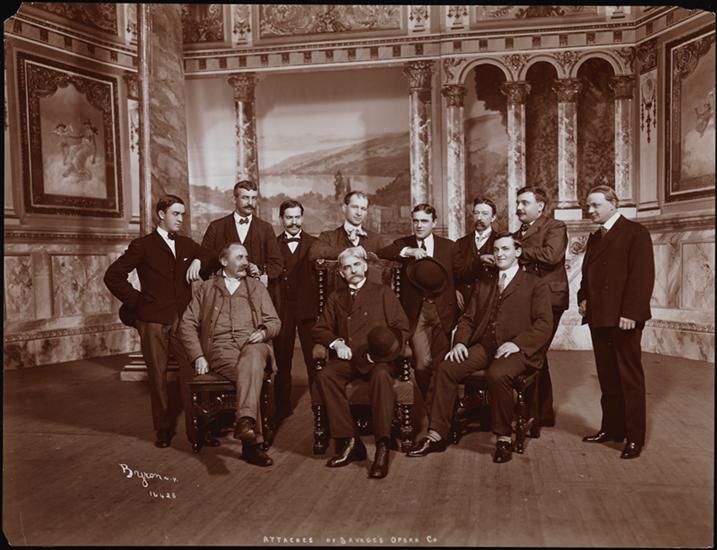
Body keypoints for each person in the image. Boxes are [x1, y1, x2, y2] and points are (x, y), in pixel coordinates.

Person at [407, 234, 552, 464]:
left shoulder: (535, 283)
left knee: (498, 374)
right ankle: (436, 434)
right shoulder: (485, 282)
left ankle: (503, 438)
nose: (500, 254)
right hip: (485, 345)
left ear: (517, 252)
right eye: (496, 250)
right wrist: (460, 343)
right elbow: (468, 318)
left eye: (505, 249)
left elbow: (544, 324)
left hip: (516, 350)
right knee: (446, 368)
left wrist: (517, 344)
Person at [104, 195, 215, 448]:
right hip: (152, 322)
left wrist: (199, 259)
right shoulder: (142, 245)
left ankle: (197, 430)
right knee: (157, 376)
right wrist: (139, 302)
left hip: (183, 322)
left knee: (192, 375)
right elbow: (113, 276)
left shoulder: (186, 244)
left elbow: (213, 256)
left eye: (183, 214)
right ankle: (163, 429)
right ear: (161, 214)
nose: (180, 219)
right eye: (176, 213)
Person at [312, 246, 410, 479]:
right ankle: (351, 441)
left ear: (365, 266)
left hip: (379, 359)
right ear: (341, 273)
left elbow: (402, 329)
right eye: (347, 268)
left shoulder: (383, 293)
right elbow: (319, 329)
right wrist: (337, 343)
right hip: (350, 358)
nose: (352, 270)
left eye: (356, 265)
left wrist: (379, 354)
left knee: (381, 376)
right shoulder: (336, 298)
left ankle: (382, 445)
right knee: (326, 375)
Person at [179, 242, 281, 467]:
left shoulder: (256, 287)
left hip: (253, 344)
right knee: (250, 374)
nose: (246, 262)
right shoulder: (207, 288)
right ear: (224, 261)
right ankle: (250, 441)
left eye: (246, 257)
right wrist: (198, 356)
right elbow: (186, 324)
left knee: (252, 360)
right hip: (221, 349)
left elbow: (275, 321)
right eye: (239, 257)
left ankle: (246, 426)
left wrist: (264, 332)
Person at [579, 186, 654, 459]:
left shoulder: (636, 233)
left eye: (595, 205)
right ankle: (611, 429)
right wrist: (583, 297)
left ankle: (634, 438)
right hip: (599, 316)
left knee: (629, 379)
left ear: (613, 204)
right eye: (588, 206)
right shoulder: (595, 236)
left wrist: (631, 313)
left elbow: (642, 276)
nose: (590, 210)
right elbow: (588, 272)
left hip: (624, 318)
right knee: (608, 377)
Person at [377, 203, 459, 396]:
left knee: (441, 365)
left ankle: (440, 410)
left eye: (424, 221)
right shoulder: (403, 243)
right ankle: (431, 402)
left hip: (443, 310)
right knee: (422, 364)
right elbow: (382, 253)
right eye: (416, 221)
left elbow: (462, 275)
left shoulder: (449, 247)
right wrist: (409, 251)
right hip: (416, 313)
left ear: (434, 222)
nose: (419, 225)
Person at [513, 186, 568, 427]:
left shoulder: (555, 227)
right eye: (518, 203)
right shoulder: (518, 233)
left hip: (551, 299)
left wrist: (518, 251)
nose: (518, 208)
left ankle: (532, 415)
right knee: (536, 353)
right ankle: (542, 413)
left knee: (534, 352)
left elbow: (551, 255)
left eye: (524, 203)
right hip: (528, 299)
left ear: (540, 206)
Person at [270, 199, 320, 424]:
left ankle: (320, 405)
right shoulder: (272, 245)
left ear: (302, 217)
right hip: (281, 308)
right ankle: (282, 407)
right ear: (281, 219)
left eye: (297, 217)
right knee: (282, 359)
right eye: (289, 217)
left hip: (308, 308)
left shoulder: (315, 244)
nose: (293, 222)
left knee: (314, 359)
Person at [201, 179, 283, 282]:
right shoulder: (216, 227)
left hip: (255, 288)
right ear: (234, 199)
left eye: (253, 198)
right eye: (245, 198)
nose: (250, 203)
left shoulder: (266, 228)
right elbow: (204, 260)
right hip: (224, 288)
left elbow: (277, 264)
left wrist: (260, 270)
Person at [308, 191, 384, 261]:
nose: (359, 213)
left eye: (363, 209)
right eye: (355, 207)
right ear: (344, 208)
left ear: (366, 212)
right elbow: (314, 252)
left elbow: (385, 267)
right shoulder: (328, 237)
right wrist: (348, 251)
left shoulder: (376, 239)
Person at [455, 196, 499, 309]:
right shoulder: (461, 243)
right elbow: (456, 272)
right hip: (465, 301)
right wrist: (456, 289)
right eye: (476, 213)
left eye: (484, 214)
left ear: (493, 217)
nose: (479, 217)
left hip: (491, 301)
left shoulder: (500, 241)